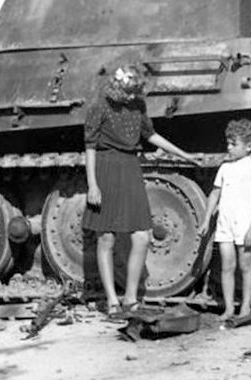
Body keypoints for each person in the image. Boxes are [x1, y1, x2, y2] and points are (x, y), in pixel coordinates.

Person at [83, 66, 200, 318]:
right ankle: (113, 300)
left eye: (135, 92)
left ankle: (131, 298)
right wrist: (92, 185)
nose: (131, 97)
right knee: (106, 238)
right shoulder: (99, 107)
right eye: (128, 92)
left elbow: (151, 135)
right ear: (117, 88)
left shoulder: (138, 105)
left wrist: (183, 154)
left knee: (142, 237)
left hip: (129, 168)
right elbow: (90, 147)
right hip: (105, 168)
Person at [203, 118, 251, 321]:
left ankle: (246, 306)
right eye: (228, 143)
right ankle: (229, 308)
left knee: (246, 265)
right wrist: (206, 220)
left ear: (248, 146)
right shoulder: (225, 168)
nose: (229, 147)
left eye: (233, 144)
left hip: (244, 222)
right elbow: (214, 194)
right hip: (225, 223)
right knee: (227, 266)